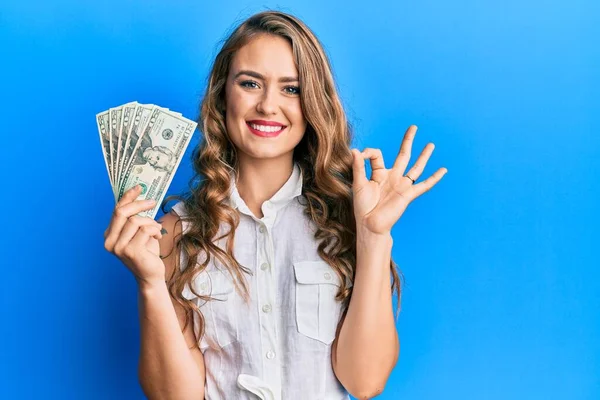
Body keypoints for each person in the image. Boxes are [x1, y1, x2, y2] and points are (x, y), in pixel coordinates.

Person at [103, 10, 447, 400]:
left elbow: (364, 382)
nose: (268, 105)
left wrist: (373, 237)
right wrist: (149, 284)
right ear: (222, 95)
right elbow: (174, 396)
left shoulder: (349, 221)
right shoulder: (172, 234)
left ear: (312, 103)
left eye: (291, 89)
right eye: (251, 83)